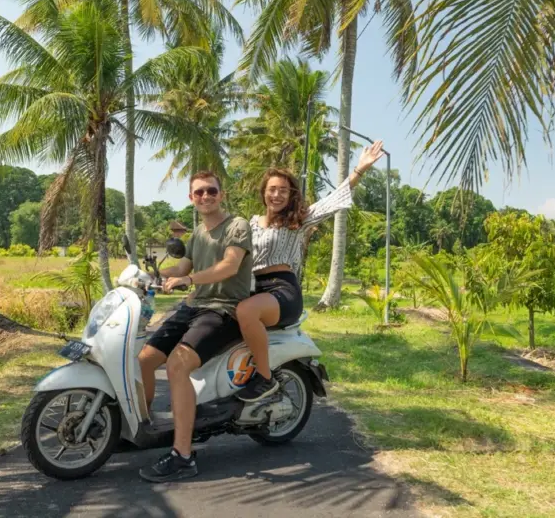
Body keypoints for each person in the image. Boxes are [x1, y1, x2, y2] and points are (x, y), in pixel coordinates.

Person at [234, 141, 386, 402]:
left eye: (283, 190)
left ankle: (264, 379)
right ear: (263, 193)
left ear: (291, 195)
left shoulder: (298, 220)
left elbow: (331, 202)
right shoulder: (249, 224)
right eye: (272, 190)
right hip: (254, 289)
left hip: (282, 290)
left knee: (245, 312)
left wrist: (359, 170)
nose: (277, 195)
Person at [136, 170, 253, 483]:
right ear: (191, 198)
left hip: (224, 310)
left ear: (221, 194)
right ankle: (144, 427)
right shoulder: (197, 234)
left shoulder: (236, 225)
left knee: (177, 365)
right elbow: (182, 267)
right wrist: (153, 275)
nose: (205, 196)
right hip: (193, 305)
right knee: (145, 358)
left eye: (211, 191)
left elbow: (229, 266)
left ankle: (183, 456)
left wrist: (188, 280)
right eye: (199, 192)